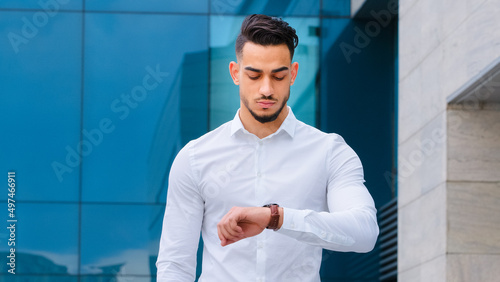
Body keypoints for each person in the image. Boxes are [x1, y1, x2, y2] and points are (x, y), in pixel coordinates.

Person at [156, 14, 379, 282]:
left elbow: (364, 232)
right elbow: (175, 264)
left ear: (293, 74)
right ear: (236, 73)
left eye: (278, 76)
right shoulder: (194, 158)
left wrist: (274, 218)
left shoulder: (330, 152)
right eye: (254, 75)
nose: (266, 89)